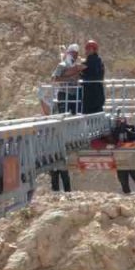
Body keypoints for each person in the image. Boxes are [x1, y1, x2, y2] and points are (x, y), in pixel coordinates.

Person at [49, 44, 82, 192]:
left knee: (72, 120)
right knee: (63, 120)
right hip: (64, 95)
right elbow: (54, 79)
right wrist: (70, 75)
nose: (75, 55)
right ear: (69, 53)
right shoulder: (62, 65)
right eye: (73, 53)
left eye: (76, 53)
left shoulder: (76, 66)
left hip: (74, 96)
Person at [81, 39, 105, 114]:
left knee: (88, 115)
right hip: (98, 94)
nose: (87, 51)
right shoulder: (99, 61)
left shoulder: (92, 59)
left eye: (89, 49)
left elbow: (83, 67)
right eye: (87, 49)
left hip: (91, 94)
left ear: (93, 50)